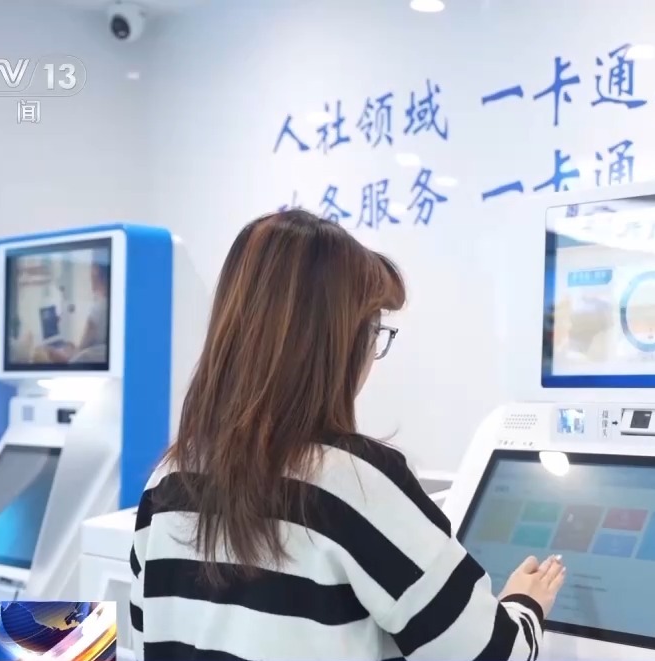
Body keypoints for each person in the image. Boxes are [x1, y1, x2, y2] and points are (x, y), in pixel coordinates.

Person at [129, 210, 566, 661]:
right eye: (373, 329)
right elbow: (494, 654)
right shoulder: (357, 484)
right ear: (337, 342)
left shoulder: (169, 479)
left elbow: (146, 636)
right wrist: (525, 604)